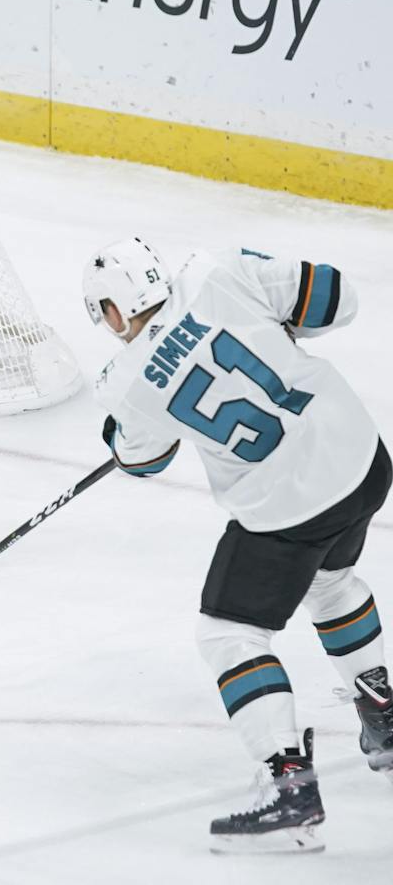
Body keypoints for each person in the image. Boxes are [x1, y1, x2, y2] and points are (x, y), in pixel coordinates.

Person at [84, 237, 393, 854]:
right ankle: (385, 719)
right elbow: (338, 298)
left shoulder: (125, 383)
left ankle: (289, 787)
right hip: (362, 460)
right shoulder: (220, 274)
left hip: (290, 506)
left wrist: (123, 432)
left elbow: (144, 460)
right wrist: (279, 316)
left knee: (228, 634)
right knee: (328, 581)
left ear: (116, 313)